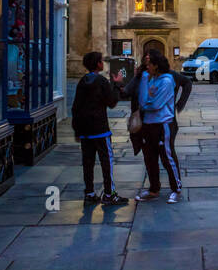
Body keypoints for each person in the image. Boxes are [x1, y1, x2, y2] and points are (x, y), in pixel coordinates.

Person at [71, 51, 127, 206]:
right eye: (101, 61)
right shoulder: (101, 81)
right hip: (100, 128)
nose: (103, 63)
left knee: (87, 162)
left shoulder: (82, 81)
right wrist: (117, 84)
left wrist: (77, 130)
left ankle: (89, 193)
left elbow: (75, 107)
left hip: (85, 131)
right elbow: (112, 102)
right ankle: (109, 194)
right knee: (106, 162)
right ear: (97, 64)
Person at [136, 50, 182, 203]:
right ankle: (154, 189)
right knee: (150, 159)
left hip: (162, 125)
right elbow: (142, 100)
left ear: (156, 65)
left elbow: (155, 104)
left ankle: (176, 189)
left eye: (149, 63)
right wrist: (143, 78)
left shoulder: (167, 81)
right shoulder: (149, 79)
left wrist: (146, 104)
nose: (146, 66)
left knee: (167, 158)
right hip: (148, 124)